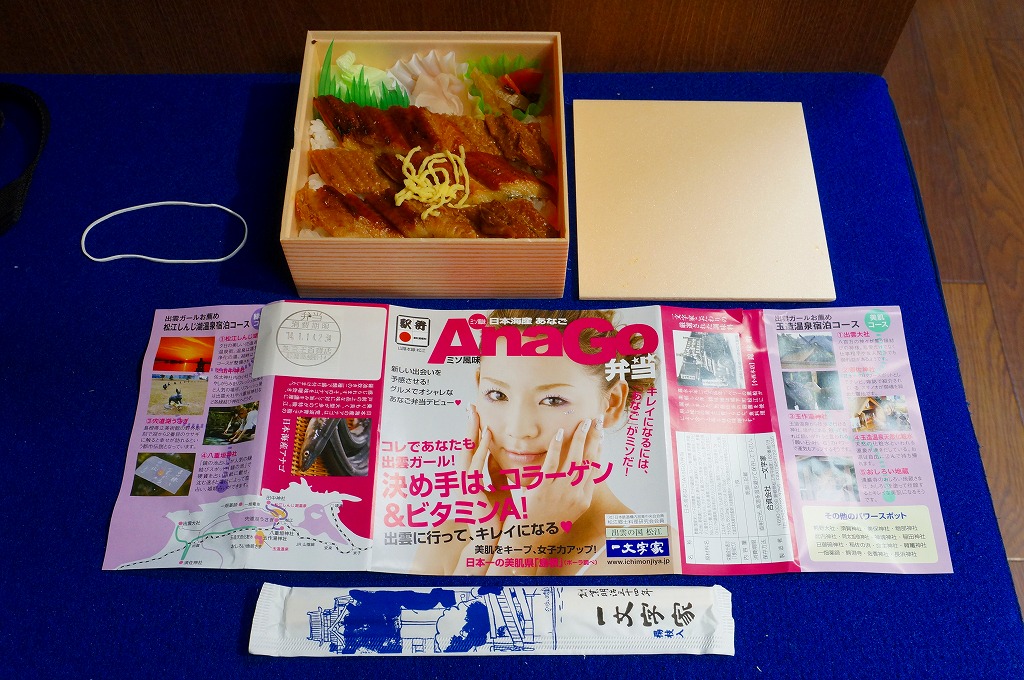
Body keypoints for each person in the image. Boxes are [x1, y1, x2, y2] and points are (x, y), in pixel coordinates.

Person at [416, 309, 657, 576]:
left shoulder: (646, 551)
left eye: (553, 400)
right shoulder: (449, 542)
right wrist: (485, 545)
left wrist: (522, 544)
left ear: (611, 404)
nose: (519, 430)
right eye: (497, 394)